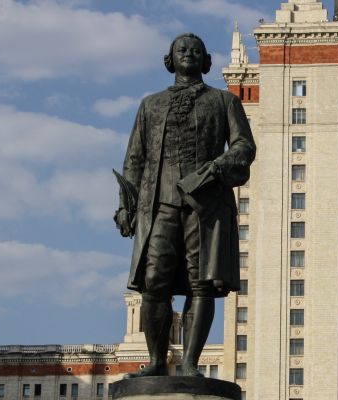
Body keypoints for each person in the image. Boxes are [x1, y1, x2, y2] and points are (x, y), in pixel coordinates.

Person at [114, 33, 256, 377]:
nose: (189, 53)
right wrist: (126, 205)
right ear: (171, 59)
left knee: (201, 282)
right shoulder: (151, 105)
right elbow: (135, 158)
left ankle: (191, 364)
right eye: (182, 49)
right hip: (159, 203)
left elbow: (243, 147)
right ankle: (158, 361)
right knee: (153, 281)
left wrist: (214, 169)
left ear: (206, 60)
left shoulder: (223, 101)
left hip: (205, 206)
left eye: (196, 50)